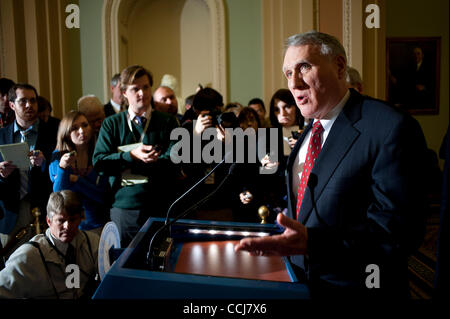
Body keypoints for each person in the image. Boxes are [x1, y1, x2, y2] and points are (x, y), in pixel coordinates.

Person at [235, 31, 429, 299]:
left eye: (304, 67)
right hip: (303, 287)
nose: (294, 83)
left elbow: (398, 234)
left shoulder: (390, 127)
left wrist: (313, 244)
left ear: (339, 66)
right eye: (287, 73)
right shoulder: (309, 130)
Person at [93, 65, 179, 246]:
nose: (142, 93)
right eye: (135, 89)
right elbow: (99, 163)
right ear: (124, 92)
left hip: (160, 206)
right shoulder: (112, 124)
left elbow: (175, 160)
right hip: (125, 208)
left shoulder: (168, 121)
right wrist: (130, 156)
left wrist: (133, 162)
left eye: (146, 87)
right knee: (124, 264)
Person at [0, 190, 99, 299]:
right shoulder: (28, 256)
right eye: (61, 220)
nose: (67, 226)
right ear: (48, 220)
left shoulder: (92, 243)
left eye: (72, 220)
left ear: (81, 218)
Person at [0, 83, 55, 251]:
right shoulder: (1, 135)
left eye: (33, 100)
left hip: (46, 209)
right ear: (11, 105)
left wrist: (46, 163)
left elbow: (62, 171)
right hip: (10, 213)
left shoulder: (54, 131)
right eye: (23, 101)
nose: (29, 105)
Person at [49, 111, 110, 232]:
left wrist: (77, 180)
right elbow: (59, 193)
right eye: (75, 128)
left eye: (85, 125)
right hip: (69, 227)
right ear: (66, 132)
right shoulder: (58, 157)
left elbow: (104, 197)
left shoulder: (100, 153)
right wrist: (63, 168)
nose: (82, 131)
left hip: (100, 224)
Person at [269, 88, 305, 162]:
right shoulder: (269, 136)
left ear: (296, 106)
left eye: (287, 107)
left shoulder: (308, 132)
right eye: (276, 109)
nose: (282, 114)